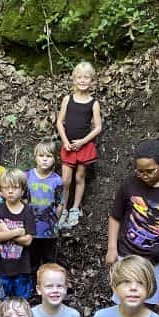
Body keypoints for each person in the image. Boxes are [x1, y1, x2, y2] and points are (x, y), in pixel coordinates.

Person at [106, 138, 159, 307]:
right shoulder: (129, 184)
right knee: (123, 303)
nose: (145, 176)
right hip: (127, 256)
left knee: (148, 305)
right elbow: (115, 217)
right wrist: (112, 249)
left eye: (150, 171)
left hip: (154, 260)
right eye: (140, 171)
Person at [56, 61, 102, 229]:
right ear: (74, 79)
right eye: (79, 77)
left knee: (79, 177)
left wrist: (83, 142)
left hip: (84, 146)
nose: (83, 80)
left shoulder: (93, 103)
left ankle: (75, 208)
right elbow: (60, 122)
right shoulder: (67, 99)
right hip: (68, 146)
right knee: (66, 180)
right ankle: (63, 208)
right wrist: (65, 142)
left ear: (92, 81)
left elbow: (98, 127)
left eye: (86, 77)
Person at [0, 168, 36, 299]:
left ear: (22, 190)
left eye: (15, 187)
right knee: (2, 302)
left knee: (22, 302)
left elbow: (28, 240)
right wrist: (16, 232)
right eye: (6, 187)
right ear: (1, 190)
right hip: (1, 268)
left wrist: (6, 232)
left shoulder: (27, 211)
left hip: (22, 269)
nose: (10, 191)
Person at [26, 140, 64, 273]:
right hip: (31, 229)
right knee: (32, 260)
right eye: (41, 156)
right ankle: (32, 287)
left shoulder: (57, 181)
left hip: (49, 231)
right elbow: (23, 201)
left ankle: (48, 287)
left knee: (49, 261)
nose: (45, 160)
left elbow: (60, 204)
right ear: (35, 157)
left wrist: (54, 222)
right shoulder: (27, 177)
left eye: (49, 156)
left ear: (55, 159)